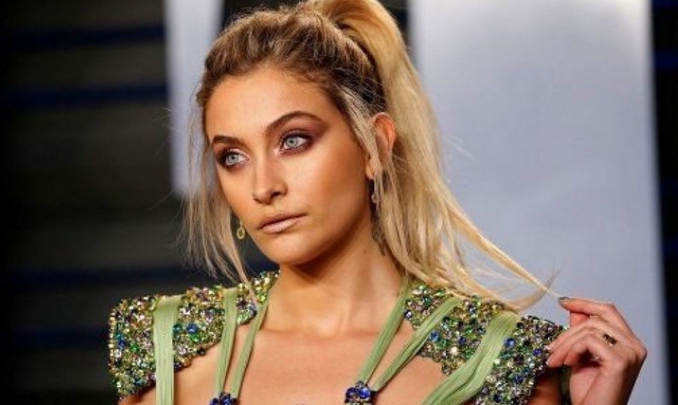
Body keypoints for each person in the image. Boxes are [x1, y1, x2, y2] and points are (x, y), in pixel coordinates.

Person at [107, 0, 646, 404]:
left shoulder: (497, 362)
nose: (262, 186)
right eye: (232, 157)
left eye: (293, 141)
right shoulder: (171, 351)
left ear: (375, 146)